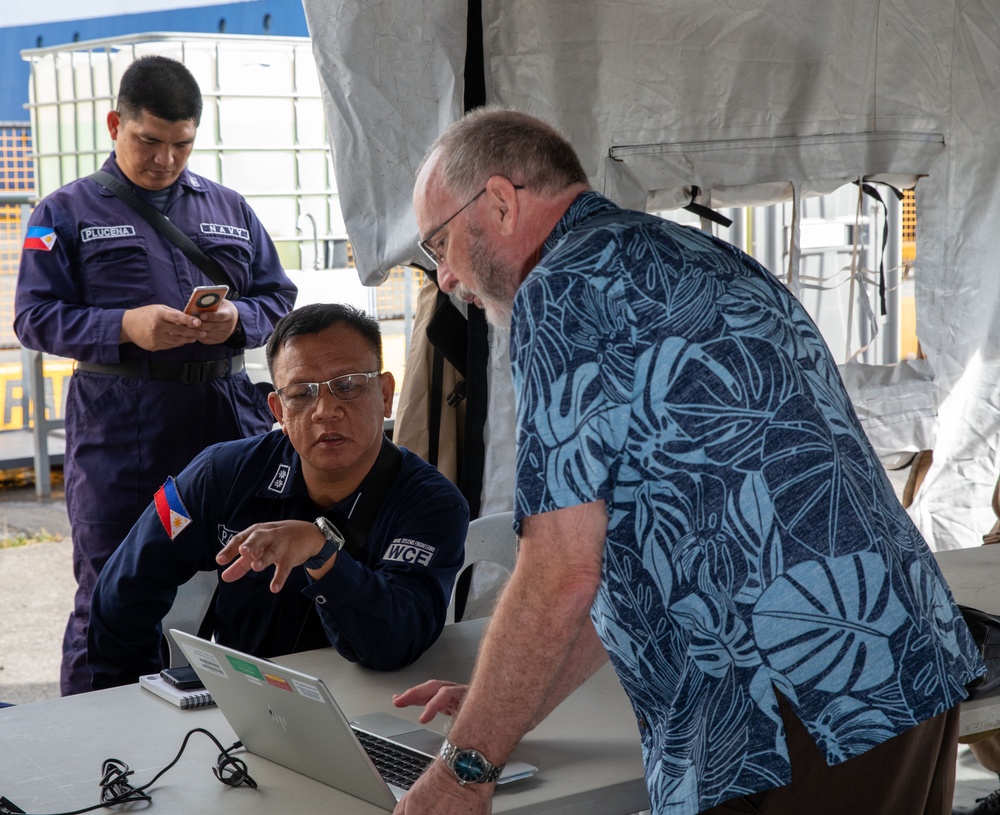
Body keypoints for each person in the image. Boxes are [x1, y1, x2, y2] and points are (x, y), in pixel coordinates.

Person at [394, 107, 986, 815]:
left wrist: (465, 768)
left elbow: (559, 573)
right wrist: (501, 706)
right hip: (895, 664)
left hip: (795, 703)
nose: (447, 276)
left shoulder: (561, 290)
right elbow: (628, 579)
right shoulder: (694, 255)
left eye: (440, 244)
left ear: (498, 200)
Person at [14, 55, 297, 696]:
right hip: (123, 430)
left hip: (225, 422)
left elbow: (279, 299)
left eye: (182, 145)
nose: (166, 159)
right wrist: (123, 327)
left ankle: (235, 729)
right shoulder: (64, 212)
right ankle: (94, 744)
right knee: (114, 585)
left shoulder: (230, 208)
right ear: (115, 124)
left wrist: (238, 320)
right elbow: (33, 318)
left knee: (243, 576)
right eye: (149, 141)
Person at [88, 302, 469, 689]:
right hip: (246, 708)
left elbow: (395, 643)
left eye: (348, 385)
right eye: (302, 394)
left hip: (376, 715)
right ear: (279, 411)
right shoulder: (218, 474)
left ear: (386, 394)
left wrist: (323, 556)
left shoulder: (432, 505)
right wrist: (123, 699)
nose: (326, 410)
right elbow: (126, 586)